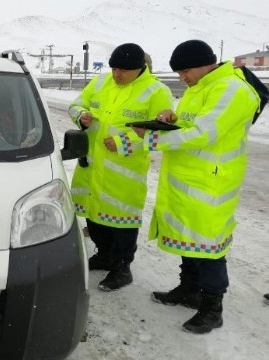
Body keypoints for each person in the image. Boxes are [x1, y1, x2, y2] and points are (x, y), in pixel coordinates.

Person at [125, 40, 261, 334]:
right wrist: (170, 119)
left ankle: (213, 309)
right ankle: (189, 290)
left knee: (209, 246)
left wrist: (152, 139)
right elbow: (190, 124)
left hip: (211, 183)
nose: (182, 78)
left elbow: (203, 133)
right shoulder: (198, 88)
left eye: (185, 71)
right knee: (190, 238)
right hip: (188, 178)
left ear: (206, 63)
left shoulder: (231, 90)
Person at [67, 43, 173, 291]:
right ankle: (104, 256)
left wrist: (124, 142)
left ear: (140, 68)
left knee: (122, 221)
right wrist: (81, 115)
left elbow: (160, 132)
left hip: (124, 172)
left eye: (124, 70)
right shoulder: (101, 82)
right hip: (92, 165)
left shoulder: (157, 91)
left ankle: (122, 268)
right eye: (114, 68)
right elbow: (75, 105)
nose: (117, 74)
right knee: (95, 218)